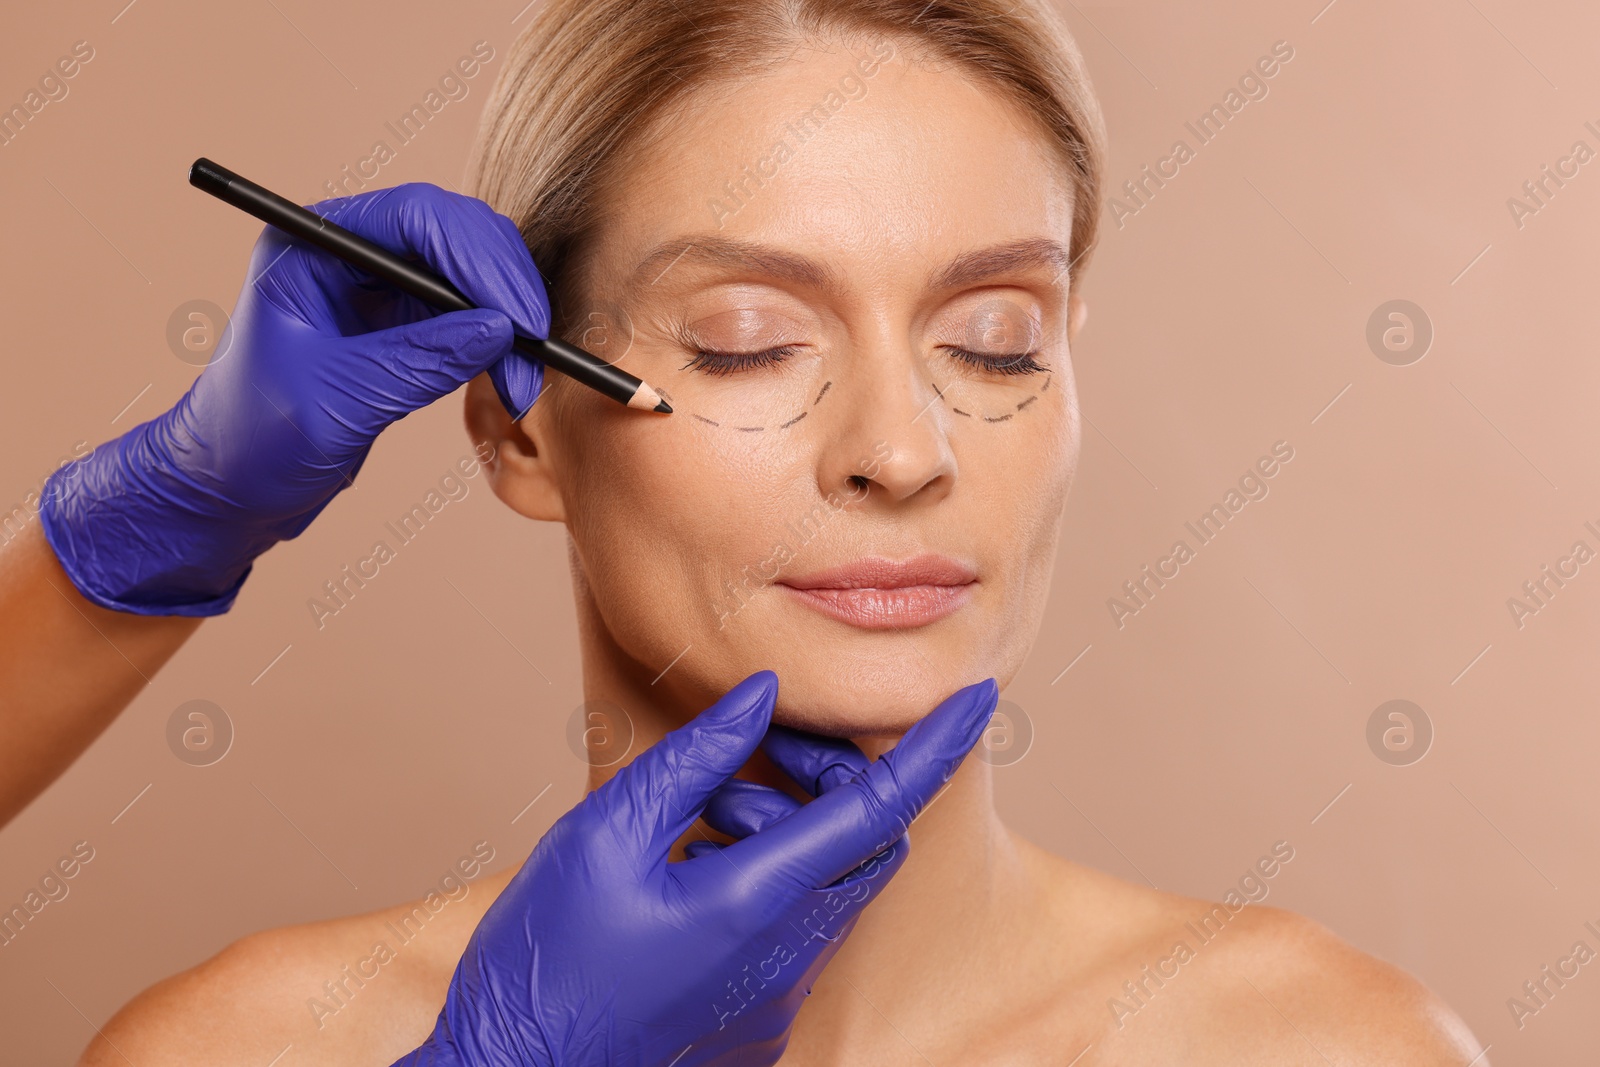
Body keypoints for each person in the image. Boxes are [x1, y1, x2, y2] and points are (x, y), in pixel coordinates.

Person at [72, 0, 1487, 1063]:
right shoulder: (240, 1047)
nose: (898, 451)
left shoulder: (1326, 1047)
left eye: (996, 343)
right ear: (517, 427)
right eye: (749, 343)